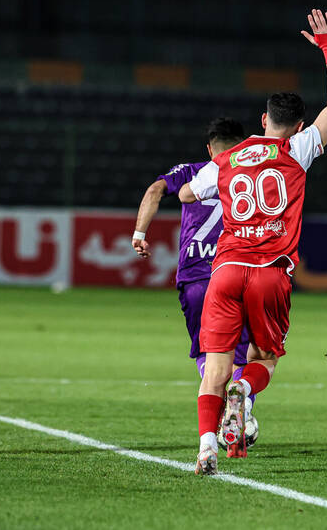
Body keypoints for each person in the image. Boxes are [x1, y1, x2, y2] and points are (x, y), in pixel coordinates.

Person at [178, 9, 327, 474]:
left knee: (215, 364)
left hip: (227, 269)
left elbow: (187, 192)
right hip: (271, 273)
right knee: (265, 359)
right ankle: (245, 391)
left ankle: (206, 448)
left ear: (262, 119)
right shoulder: (296, 151)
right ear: (296, 127)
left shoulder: (230, 157)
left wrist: (200, 187)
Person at [131, 118, 260, 453]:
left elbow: (154, 190)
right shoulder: (253, 174)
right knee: (248, 352)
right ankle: (242, 406)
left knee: (208, 352)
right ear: (242, 144)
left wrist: (140, 234)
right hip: (238, 272)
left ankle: (216, 426)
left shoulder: (192, 172)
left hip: (195, 278)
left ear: (209, 148)